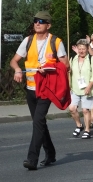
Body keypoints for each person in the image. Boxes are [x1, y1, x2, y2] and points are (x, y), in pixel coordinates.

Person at [10, 11, 69, 170]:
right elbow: (14, 61)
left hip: (46, 89)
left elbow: (66, 65)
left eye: (41, 21)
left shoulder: (56, 42)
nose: (37, 23)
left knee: (37, 122)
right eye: (36, 21)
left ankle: (32, 159)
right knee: (40, 123)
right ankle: (50, 153)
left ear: (48, 25)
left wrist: (49, 68)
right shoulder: (28, 41)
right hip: (31, 89)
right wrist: (17, 70)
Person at [68, 39, 93, 139]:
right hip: (75, 88)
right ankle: (79, 125)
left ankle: (87, 130)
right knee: (72, 108)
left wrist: (89, 87)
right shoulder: (73, 58)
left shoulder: (91, 59)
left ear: (87, 49)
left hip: (87, 89)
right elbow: (69, 73)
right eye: (79, 48)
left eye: (83, 49)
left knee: (85, 110)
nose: (81, 51)